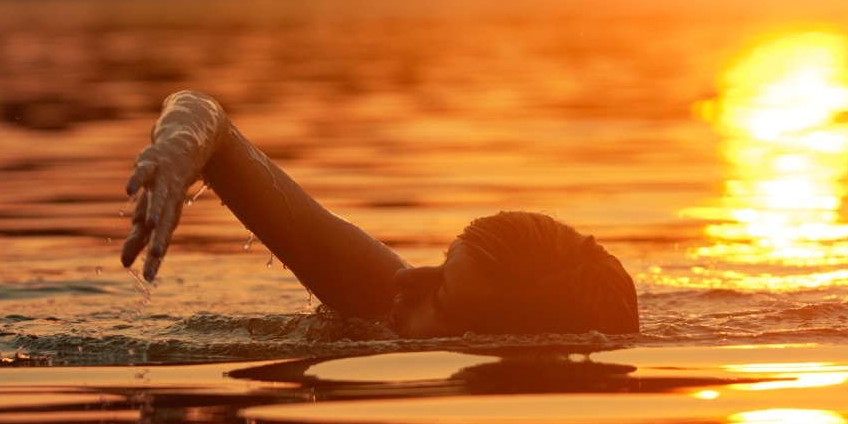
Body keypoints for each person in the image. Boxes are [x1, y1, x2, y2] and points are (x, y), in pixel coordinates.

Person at [121, 90, 639, 337]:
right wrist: (180, 144)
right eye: (441, 259)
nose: (405, 277)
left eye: (444, 295)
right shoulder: (390, 302)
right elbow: (214, 123)